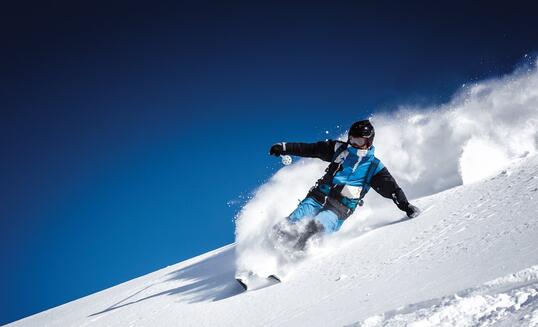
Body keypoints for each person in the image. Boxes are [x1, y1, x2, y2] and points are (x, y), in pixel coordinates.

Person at [269, 119, 420, 249]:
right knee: (289, 224)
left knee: (316, 228)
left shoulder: (374, 167)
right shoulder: (339, 149)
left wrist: (406, 206)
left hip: (338, 209)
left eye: (359, 141)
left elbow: (392, 189)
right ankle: (263, 260)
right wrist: (284, 147)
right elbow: (311, 149)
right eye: (351, 139)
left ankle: (289, 263)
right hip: (318, 197)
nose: (353, 144)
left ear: (368, 142)